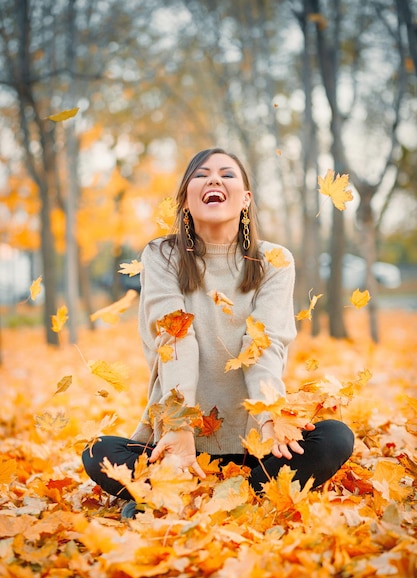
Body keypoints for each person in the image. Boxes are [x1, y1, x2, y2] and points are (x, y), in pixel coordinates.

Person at [82, 147, 354, 518]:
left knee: (335, 437)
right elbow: (174, 338)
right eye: (201, 174)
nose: (213, 179)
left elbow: (264, 345)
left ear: (245, 199)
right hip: (179, 445)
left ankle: (211, 497)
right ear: (186, 199)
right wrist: (178, 429)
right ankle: (183, 488)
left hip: (253, 449)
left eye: (227, 174)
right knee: (98, 451)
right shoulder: (161, 255)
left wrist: (272, 417)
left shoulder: (274, 260)